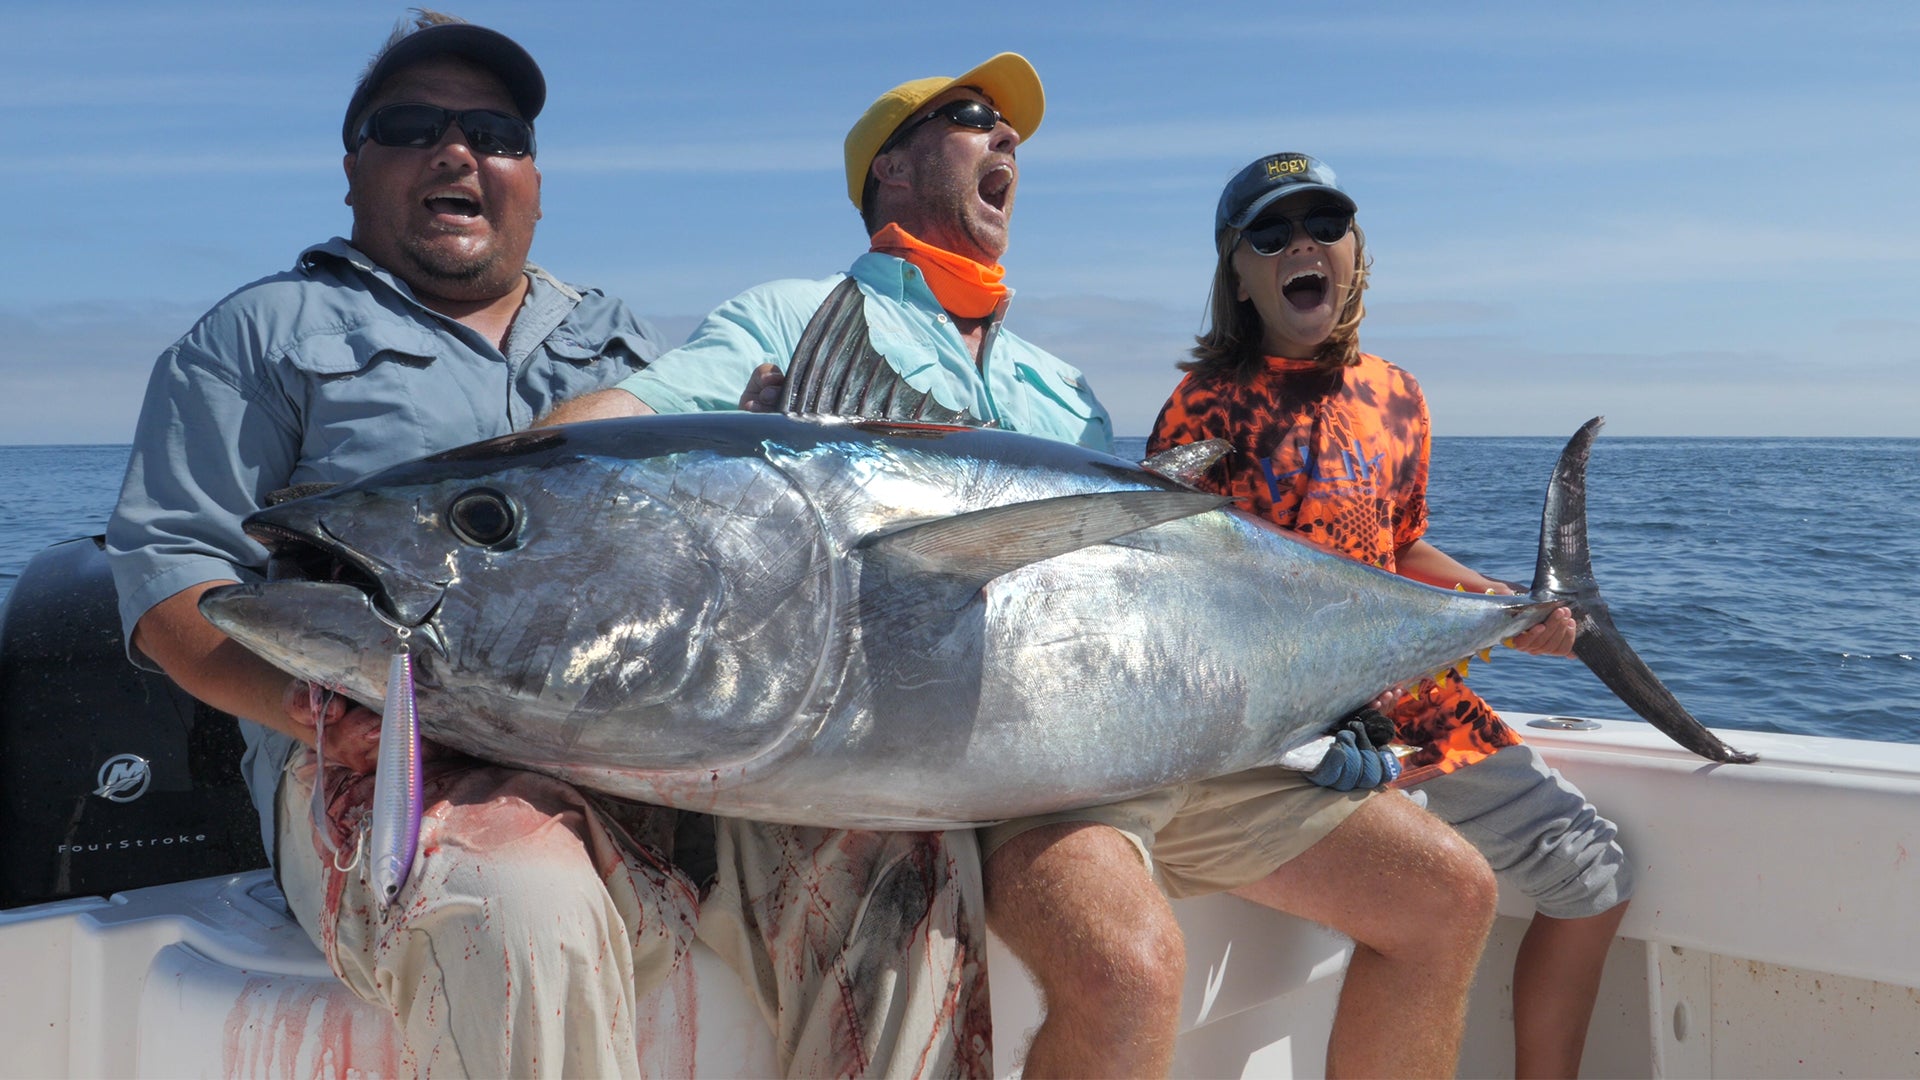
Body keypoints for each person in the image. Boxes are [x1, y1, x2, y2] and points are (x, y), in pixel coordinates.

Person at [547, 58, 1499, 1078]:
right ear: (894, 171)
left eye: (1014, 133)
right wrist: (525, 477)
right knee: (1130, 969)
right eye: (971, 121)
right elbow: (613, 440)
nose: (1008, 141)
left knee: (1452, 895)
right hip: (1014, 780)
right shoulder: (796, 315)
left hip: (1158, 733)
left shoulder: (1060, 383)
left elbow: (1159, 583)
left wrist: (1318, 700)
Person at [105, 13, 697, 1075]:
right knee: (514, 894)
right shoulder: (259, 336)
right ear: (353, 169)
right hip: (387, 774)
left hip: (645, 754)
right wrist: (307, 710)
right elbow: (167, 586)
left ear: (536, 177)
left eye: (497, 131)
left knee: (899, 859)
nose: (457, 150)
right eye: (411, 123)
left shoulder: (627, 349)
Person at [1148, 151, 1635, 1078]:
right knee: (1429, 899)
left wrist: (1506, 607)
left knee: (1594, 876)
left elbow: (1399, 549)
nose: (1304, 244)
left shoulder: (1398, 396)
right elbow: (1188, 592)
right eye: (1272, 232)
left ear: (1356, 253)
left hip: (1416, 704)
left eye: (1326, 223)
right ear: (1239, 274)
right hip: (1294, 723)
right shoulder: (1203, 409)